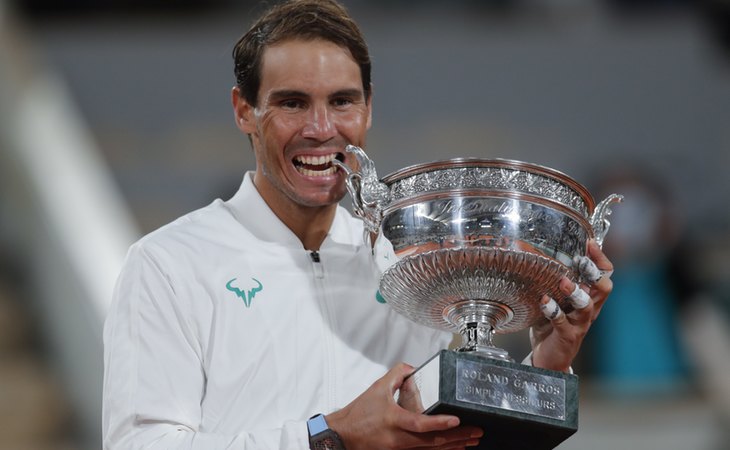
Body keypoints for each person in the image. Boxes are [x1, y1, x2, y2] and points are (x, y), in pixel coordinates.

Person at [102, 1, 615, 448]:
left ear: (368, 110)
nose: (321, 130)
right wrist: (330, 437)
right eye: (292, 103)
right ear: (244, 111)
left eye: (342, 101)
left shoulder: (407, 265)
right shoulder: (168, 265)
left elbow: (460, 442)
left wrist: (545, 369)